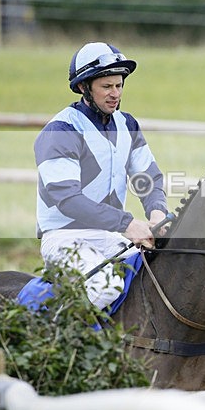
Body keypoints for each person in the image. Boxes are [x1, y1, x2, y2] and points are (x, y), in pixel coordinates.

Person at [34, 42, 168, 310]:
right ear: (84, 87)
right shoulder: (61, 130)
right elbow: (68, 199)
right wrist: (128, 224)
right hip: (64, 237)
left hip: (110, 235)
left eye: (119, 85)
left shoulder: (127, 124)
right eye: (106, 87)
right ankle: (63, 345)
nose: (115, 94)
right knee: (105, 286)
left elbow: (148, 178)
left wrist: (157, 212)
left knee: (161, 276)